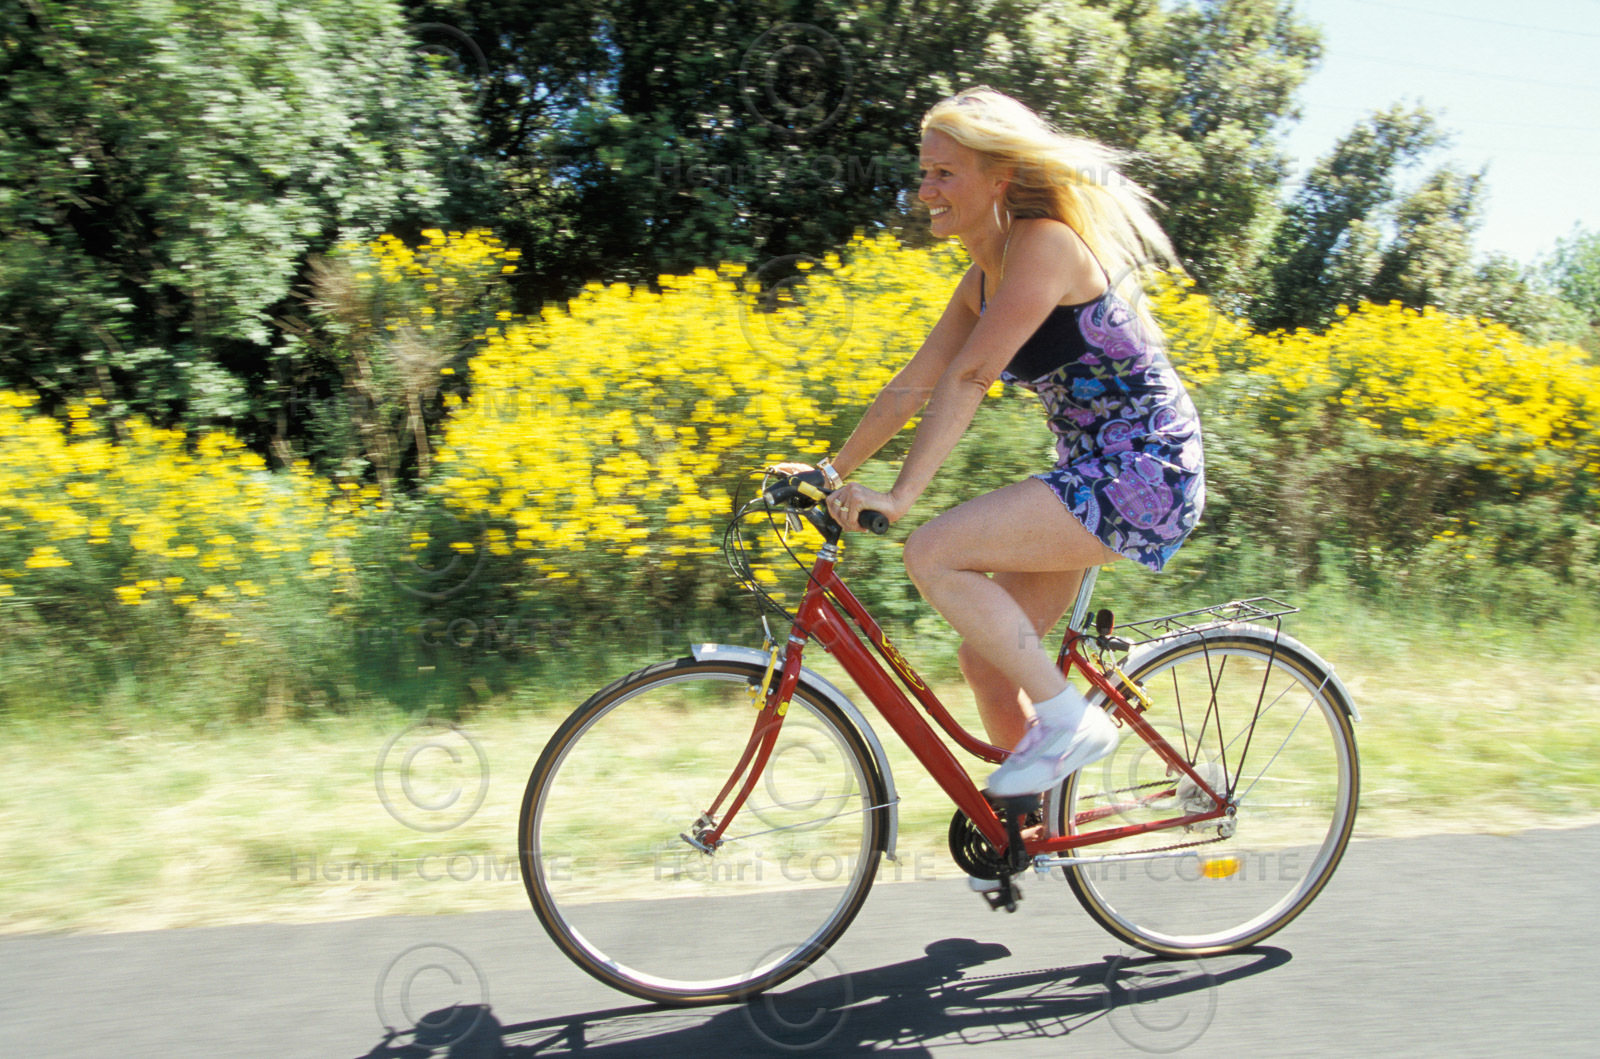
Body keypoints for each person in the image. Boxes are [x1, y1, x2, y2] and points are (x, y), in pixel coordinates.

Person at [785, 88, 1205, 820]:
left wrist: (901, 496)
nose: (926, 190)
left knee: (933, 551)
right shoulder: (980, 279)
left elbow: (971, 377)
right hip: (1091, 473)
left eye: (945, 172)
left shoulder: (1044, 245)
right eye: (924, 172)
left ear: (998, 178)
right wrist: (830, 473)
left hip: (1146, 468)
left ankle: (1071, 724)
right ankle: (1032, 824)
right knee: (987, 657)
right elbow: (912, 384)